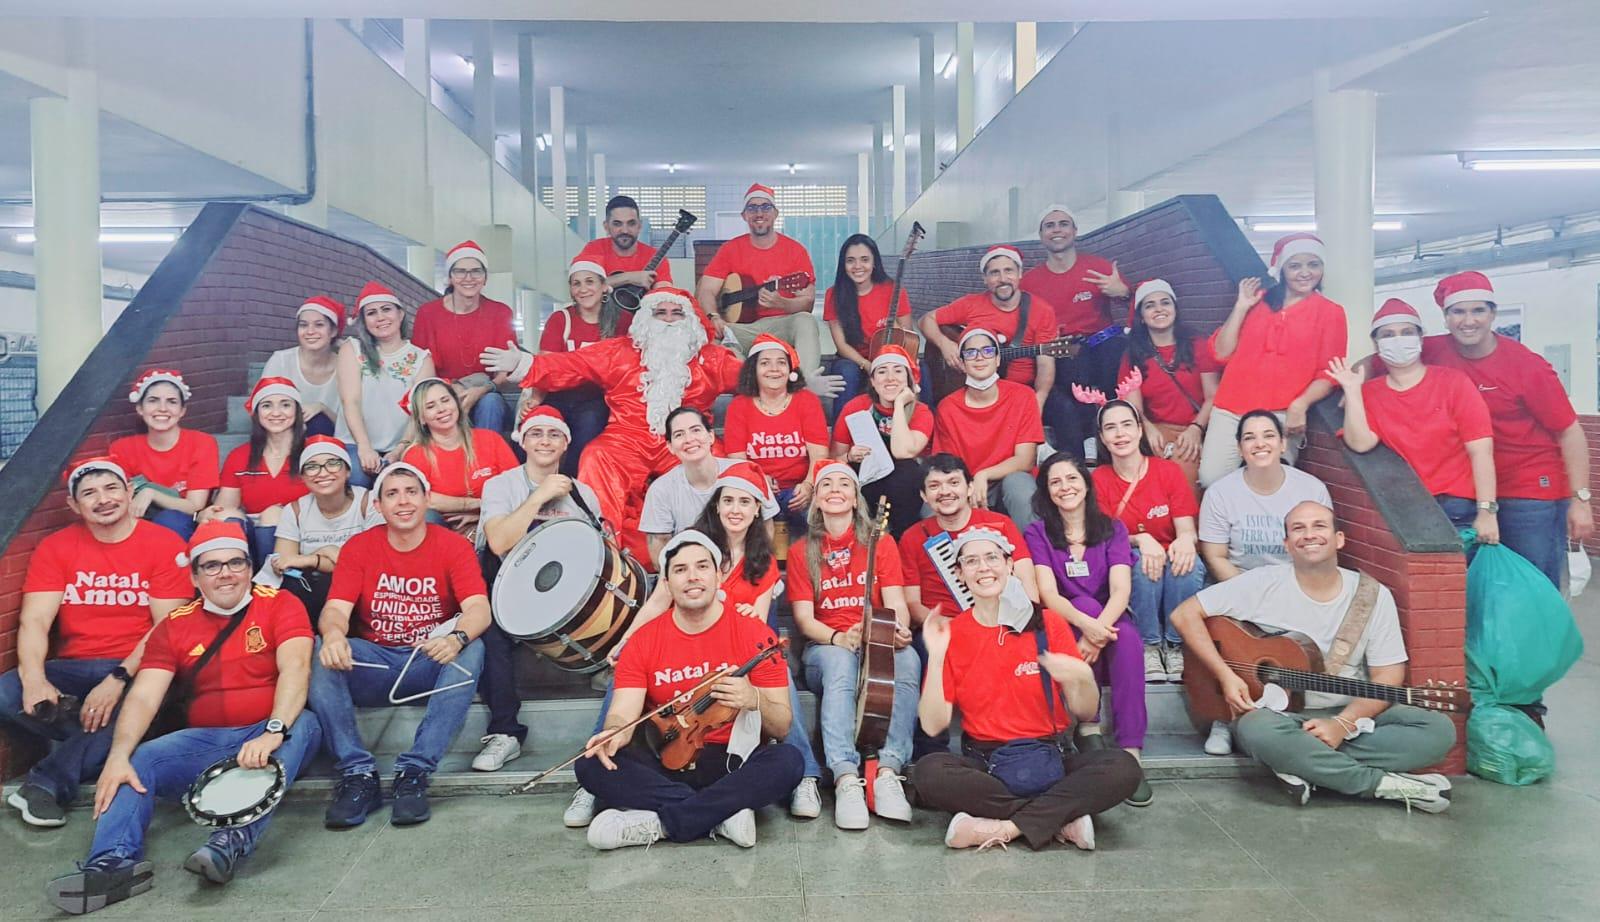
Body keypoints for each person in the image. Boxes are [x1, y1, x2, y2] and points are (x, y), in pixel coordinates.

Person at [44, 522, 322, 913]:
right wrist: (119, 754)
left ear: (248, 566)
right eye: (211, 566)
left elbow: (296, 669)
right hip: (205, 740)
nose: (226, 573)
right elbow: (143, 696)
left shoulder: (280, 603)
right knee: (139, 761)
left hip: (271, 729)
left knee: (304, 726)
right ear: (194, 575)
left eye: (235, 562)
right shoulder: (175, 624)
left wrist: (274, 730)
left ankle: (231, 842)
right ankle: (111, 865)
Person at [564, 462, 823, 826]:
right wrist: (626, 642)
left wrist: (754, 697)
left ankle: (801, 774)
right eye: (728, 500)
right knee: (602, 737)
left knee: (776, 698)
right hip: (677, 663)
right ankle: (718, 812)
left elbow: (759, 616)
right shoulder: (690, 545)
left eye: (745, 502)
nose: (735, 509)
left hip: (740, 647)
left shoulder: (761, 561)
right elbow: (656, 603)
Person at [1172, 501, 1457, 812]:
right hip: (1281, 717)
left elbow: (1388, 677)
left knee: (1438, 731)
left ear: (1339, 539)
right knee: (1256, 729)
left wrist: (1342, 724)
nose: (1309, 535)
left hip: (1350, 713)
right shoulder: (1263, 582)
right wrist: (1226, 676)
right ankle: (1382, 786)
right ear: (1287, 544)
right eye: (1298, 528)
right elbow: (1185, 614)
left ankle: (1303, 765)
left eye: (1319, 526)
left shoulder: (1372, 595)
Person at [912, 529, 1142, 852]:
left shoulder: (1047, 623)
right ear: (960, 574)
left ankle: (1005, 826)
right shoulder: (953, 633)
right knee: (928, 772)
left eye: (992, 558)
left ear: (1009, 565)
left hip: (1051, 757)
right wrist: (935, 657)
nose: (984, 568)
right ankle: (1059, 819)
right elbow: (933, 724)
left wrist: (1082, 677)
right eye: (972, 561)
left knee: (1124, 769)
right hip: (987, 762)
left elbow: (1086, 710)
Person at [481, 287, 747, 564]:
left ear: (689, 319)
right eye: (661, 313)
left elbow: (754, 378)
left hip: (684, 441)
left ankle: (718, 550)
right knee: (598, 457)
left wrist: (784, 374)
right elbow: (570, 365)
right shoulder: (619, 352)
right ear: (647, 318)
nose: (668, 320)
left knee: (716, 459)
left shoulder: (712, 358)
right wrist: (524, 363)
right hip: (626, 439)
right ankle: (603, 555)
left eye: (677, 313)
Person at [574, 531, 804, 850]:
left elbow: (782, 725)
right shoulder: (643, 641)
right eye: (680, 570)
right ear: (666, 584)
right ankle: (719, 814)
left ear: (719, 576)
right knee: (589, 764)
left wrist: (754, 699)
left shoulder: (755, 635)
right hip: (667, 757)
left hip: (731, 762)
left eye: (701, 567)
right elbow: (622, 713)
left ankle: (664, 823)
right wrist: (612, 732)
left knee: (788, 761)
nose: (692, 577)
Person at [1, 459, 190, 828]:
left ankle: (44, 783)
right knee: (6, 692)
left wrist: (118, 678)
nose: (103, 499)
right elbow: (35, 620)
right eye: (89, 493)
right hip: (73, 666)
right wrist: (35, 678)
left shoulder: (163, 543)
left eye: (111, 488)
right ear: (74, 505)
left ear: (129, 492)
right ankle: (105, 740)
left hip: (140, 664)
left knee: (138, 702)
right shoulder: (56, 547)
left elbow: (166, 627)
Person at [307, 463, 490, 829]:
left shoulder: (452, 545)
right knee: (313, 647)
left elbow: (478, 609)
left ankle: (414, 772)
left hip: (427, 659)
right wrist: (333, 635)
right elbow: (335, 610)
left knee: (474, 646)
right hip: (375, 661)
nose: (403, 501)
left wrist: (455, 638)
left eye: (411, 492)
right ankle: (358, 774)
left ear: (426, 500)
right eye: (392, 494)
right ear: (378, 505)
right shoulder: (359, 547)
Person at [1398, 271, 1591, 587]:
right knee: (1487, 585)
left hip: (1530, 490)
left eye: (1478, 311)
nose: (1468, 321)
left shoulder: (1527, 366)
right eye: (1458, 311)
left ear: (1493, 314)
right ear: (1445, 318)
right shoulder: (1434, 351)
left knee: (1533, 584)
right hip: (1474, 491)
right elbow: (1377, 361)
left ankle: (1540, 637)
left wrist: (1580, 500)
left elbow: (1569, 432)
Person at [787, 460, 918, 831]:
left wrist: (896, 631)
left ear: (856, 499)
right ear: (816, 501)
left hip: (873, 639)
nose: (835, 491)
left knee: (908, 660)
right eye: (826, 485)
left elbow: (896, 605)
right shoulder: (802, 551)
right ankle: (846, 776)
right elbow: (804, 620)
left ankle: (889, 770)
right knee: (841, 662)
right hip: (824, 648)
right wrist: (838, 637)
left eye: (844, 484)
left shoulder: (882, 541)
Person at [475, 405, 604, 773]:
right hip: (510, 593)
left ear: (566, 444)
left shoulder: (584, 494)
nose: (544, 441)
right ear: (523, 441)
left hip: (566, 597)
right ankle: (505, 733)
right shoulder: (501, 485)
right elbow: (498, 542)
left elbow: (597, 553)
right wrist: (539, 497)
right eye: (536, 434)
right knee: (490, 633)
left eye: (553, 435)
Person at [1025, 453, 1152, 807]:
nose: (1065, 487)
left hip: (1108, 620)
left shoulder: (1112, 528)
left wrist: (1097, 630)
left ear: (1086, 484)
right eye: (1055, 482)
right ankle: (1089, 726)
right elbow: (1049, 595)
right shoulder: (1037, 532)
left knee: (1128, 639)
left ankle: (1130, 750)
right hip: (1064, 619)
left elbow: (1122, 589)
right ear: (1046, 491)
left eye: (1072, 479)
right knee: (1083, 605)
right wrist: (1088, 625)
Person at [1330, 298, 1498, 538]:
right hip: (1408, 508)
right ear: (1376, 344)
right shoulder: (1370, 392)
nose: (1398, 340)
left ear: (1420, 339)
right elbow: (1360, 442)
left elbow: (1481, 450)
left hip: (1459, 509)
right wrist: (1353, 392)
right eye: (1388, 334)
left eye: (1406, 332)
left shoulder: (1453, 383)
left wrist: (1487, 512)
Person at [1198, 233, 1347, 487]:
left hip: (1281, 413)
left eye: (1313, 264)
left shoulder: (1331, 313)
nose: (1305, 273)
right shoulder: (1257, 302)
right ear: (1281, 269)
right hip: (1230, 409)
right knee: (1212, 479)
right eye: (1295, 265)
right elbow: (1220, 353)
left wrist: (1300, 405)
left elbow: (1329, 372)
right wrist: (1241, 307)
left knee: (1272, 485)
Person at [1091, 399, 1203, 684]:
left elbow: (1185, 529)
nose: (1120, 434)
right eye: (1111, 428)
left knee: (1186, 565)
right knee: (1141, 565)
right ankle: (1150, 645)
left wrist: (1186, 541)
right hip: (1127, 554)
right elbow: (1102, 535)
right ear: (1102, 437)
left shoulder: (1167, 471)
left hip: (1169, 553)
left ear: (1140, 430)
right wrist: (1140, 539)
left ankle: (1176, 645)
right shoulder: (1099, 479)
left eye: (1127, 425)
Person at [1021, 205, 1132, 461]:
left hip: (1102, 345)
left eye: (1063, 223)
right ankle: (1086, 444)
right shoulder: (1030, 282)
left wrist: (1123, 292)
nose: (1057, 230)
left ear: (1075, 231)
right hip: (1063, 353)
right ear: (1041, 235)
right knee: (1074, 363)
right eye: (1050, 225)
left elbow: (1136, 308)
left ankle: (1112, 436)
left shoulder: (1098, 267)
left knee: (1115, 350)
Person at [697, 183, 822, 377]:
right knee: (710, 336)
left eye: (765, 207)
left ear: (775, 213)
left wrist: (783, 303)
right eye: (752, 208)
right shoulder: (730, 249)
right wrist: (714, 317)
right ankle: (747, 381)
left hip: (781, 324)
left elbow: (808, 303)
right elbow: (706, 290)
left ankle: (804, 384)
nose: (759, 213)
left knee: (806, 321)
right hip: (741, 327)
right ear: (744, 215)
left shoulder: (795, 251)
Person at [1199, 410, 1333, 581]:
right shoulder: (1219, 494)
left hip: (1297, 584)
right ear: (1240, 448)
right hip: (1239, 586)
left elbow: (1324, 551)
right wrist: (1252, 594)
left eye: (1268, 435)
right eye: (1249, 438)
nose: (1259, 444)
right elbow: (1215, 557)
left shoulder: (1312, 489)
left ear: (1283, 444)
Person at [931, 328, 1045, 528]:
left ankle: (1034, 555)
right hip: (965, 486)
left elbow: (1025, 460)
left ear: (998, 359)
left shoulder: (1023, 396)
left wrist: (984, 474)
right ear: (962, 362)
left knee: (1019, 485)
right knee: (931, 508)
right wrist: (968, 487)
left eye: (987, 351)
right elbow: (947, 465)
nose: (979, 358)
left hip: (1006, 482)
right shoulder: (948, 407)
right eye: (971, 352)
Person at [919, 246, 1057, 409]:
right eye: (994, 273)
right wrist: (945, 344)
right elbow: (926, 320)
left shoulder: (1042, 311)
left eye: (1009, 271)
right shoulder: (971, 304)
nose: (1002, 278)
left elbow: (1045, 365)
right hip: (972, 390)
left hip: (1018, 391)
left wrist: (1038, 401)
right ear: (985, 278)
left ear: (1020, 273)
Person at [639, 406, 780, 564]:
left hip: (743, 567)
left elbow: (766, 527)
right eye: (679, 434)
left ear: (711, 436)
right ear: (670, 447)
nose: (689, 439)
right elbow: (659, 549)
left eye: (696, 430)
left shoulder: (745, 473)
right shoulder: (660, 489)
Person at [723, 334, 828, 536]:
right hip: (755, 490)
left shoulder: (806, 401)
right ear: (753, 370)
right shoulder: (739, 406)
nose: (774, 369)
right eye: (765, 363)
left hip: (799, 489)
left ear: (791, 371)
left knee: (817, 513)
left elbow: (819, 456)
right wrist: (759, 479)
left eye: (781, 363)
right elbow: (737, 461)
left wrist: (808, 485)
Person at [269, 435, 381, 622]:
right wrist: (329, 557)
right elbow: (283, 564)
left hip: (363, 596)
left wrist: (313, 558)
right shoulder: (295, 510)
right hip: (312, 593)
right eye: (312, 467)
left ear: (347, 471)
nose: (322, 473)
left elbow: (373, 566)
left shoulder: (369, 502)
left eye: (333, 463)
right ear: (303, 477)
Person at [336, 281, 436, 489]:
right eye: (371, 313)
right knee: (357, 476)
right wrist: (364, 447)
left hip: (404, 445)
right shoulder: (352, 349)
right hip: (355, 443)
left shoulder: (421, 358)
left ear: (400, 315)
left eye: (386, 309)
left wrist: (400, 449)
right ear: (364, 321)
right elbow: (350, 401)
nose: (380, 317)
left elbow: (418, 413)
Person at [1119, 279, 1220, 484]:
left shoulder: (1198, 345)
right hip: (1159, 429)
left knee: (1182, 470)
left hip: (1198, 426)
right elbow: (1132, 407)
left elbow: (1213, 397)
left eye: (1165, 302)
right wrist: (1147, 427)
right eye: (1150, 305)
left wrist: (1195, 429)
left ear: (1175, 308)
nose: (1159, 309)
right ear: (1142, 318)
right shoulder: (1133, 355)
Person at [411, 241, 516, 434]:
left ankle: (487, 461)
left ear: (485, 278)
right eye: (460, 271)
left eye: (476, 271)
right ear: (450, 277)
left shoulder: (500, 312)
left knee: (490, 402)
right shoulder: (428, 313)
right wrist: (449, 393)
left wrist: (483, 389)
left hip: (485, 393)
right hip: (440, 395)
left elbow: (507, 373)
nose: (469, 278)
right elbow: (420, 371)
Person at [202, 377, 308, 563]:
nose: (276, 412)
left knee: (273, 514)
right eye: (267, 405)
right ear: (257, 412)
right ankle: (245, 576)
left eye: (285, 405)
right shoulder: (240, 456)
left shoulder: (313, 452)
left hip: (302, 533)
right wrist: (208, 513)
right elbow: (225, 506)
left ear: (297, 410)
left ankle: (271, 584)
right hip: (252, 534)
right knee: (226, 515)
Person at [831, 346, 933, 538]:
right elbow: (834, 459)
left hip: (906, 488)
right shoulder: (855, 407)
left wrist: (900, 405)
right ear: (873, 381)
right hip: (866, 481)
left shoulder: (921, 412)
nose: (890, 378)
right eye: (882, 371)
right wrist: (849, 456)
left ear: (909, 379)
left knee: (905, 470)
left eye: (898, 371)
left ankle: (901, 540)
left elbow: (904, 452)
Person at [400, 376, 518, 538]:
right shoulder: (415, 455)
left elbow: (515, 487)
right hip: (442, 533)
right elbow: (422, 499)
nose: (442, 409)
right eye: (430, 406)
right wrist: (477, 504)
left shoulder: (490, 439)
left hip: (493, 523)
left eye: (445, 400)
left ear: (456, 402)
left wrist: (481, 516)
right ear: (421, 418)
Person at [110, 369, 219, 541]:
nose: (162, 408)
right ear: (140, 408)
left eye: (172, 401)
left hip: (183, 522)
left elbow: (194, 506)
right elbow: (124, 502)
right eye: (153, 400)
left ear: (182, 410)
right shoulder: (122, 448)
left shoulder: (201, 443)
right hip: (140, 521)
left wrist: (150, 493)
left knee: (170, 520)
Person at [532, 260, 616, 475]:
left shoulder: (620, 321)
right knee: (541, 422)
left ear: (604, 286)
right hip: (559, 394)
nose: (583, 289)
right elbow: (547, 367)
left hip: (599, 397)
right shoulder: (561, 319)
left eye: (590, 282)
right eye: (576, 284)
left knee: (589, 420)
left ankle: (571, 485)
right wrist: (535, 398)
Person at [822, 233, 914, 418]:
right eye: (851, 261)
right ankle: (842, 438)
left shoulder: (892, 289)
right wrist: (867, 364)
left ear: (874, 263)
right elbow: (842, 345)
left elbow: (908, 336)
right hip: (854, 359)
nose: (857, 266)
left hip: (888, 357)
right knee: (845, 373)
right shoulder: (834, 294)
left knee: (924, 374)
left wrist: (889, 360)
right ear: (843, 264)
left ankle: (924, 437)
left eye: (864, 259)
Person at [576, 193, 675, 336]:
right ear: (606, 226)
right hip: (598, 331)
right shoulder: (593, 250)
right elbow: (582, 288)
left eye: (631, 223)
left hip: (641, 333)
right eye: (617, 224)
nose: (625, 230)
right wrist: (629, 278)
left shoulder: (655, 256)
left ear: (639, 226)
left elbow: (665, 294)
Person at [261, 295, 345, 437]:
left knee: (319, 421)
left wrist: (322, 408)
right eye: (303, 325)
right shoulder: (280, 361)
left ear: (333, 331)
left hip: (330, 442)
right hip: (284, 435)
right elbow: (262, 410)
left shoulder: (346, 366)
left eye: (319, 325)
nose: (310, 331)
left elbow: (349, 426)